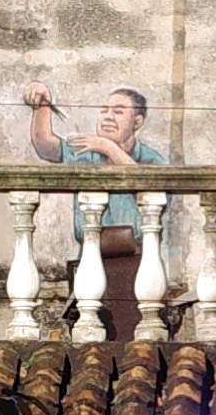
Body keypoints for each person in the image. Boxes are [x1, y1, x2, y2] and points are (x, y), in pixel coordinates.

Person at [23, 82, 172, 341]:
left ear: (137, 121)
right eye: (104, 110)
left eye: (118, 111)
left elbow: (150, 186)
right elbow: (45, 145)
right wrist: (42, 105)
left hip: (137, 265)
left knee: (137, 341)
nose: (108, 116)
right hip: (91, 257)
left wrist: (108, 147)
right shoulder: (85, 150)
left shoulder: (151, 159)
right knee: (91, 339)